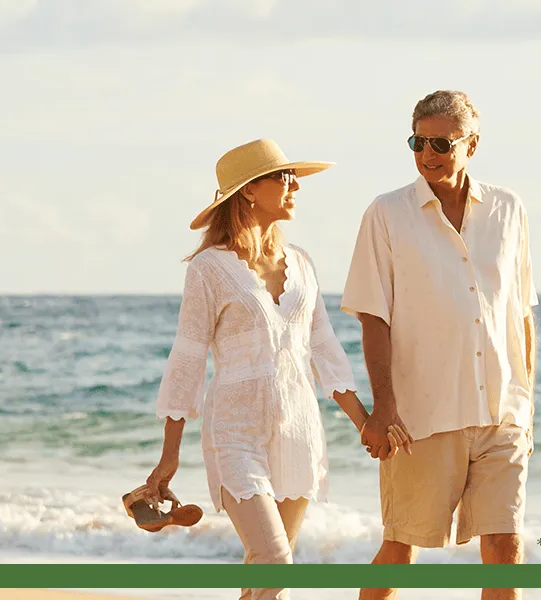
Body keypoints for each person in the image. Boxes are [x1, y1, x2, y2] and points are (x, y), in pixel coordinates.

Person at [144, 138, 410, 600]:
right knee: (275, 562)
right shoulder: (209, 268)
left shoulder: (302, 264)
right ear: (248, 190)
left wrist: (366, 421)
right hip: (235, 432)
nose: (294, 187)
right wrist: (170, 455)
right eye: (283, 177)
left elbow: (324, 350)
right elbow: (187, 359)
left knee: (265, 579)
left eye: (294, 178)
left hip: (298, 432)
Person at [342, 91, 538, 600]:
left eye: (442, 143)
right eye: (418, 142)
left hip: (502, 412)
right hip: (420, 415)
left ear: (472, 144)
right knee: (401, 548)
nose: (428, 154)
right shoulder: (387, 214)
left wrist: (527, 404)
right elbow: (372, 314)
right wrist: (382, 407)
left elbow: (520, 311)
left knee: (505, 546)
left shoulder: (509, 209)